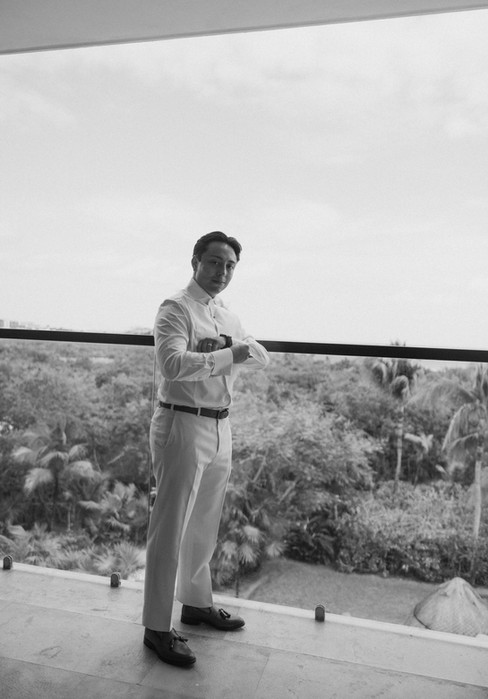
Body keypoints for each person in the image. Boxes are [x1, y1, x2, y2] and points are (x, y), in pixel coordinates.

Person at [142, 231, 270, 667]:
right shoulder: (175, 308)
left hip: (220, 425)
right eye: (214, 262)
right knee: (170, 527)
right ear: (195, 261)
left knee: (204, 523)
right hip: (181, 423)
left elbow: (260, 355)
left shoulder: (227, 315)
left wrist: (228, 348)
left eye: (230, 265)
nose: (222, 271)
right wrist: (228, 355)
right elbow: (172, 365)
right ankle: (156, 628)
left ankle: (196, 604)